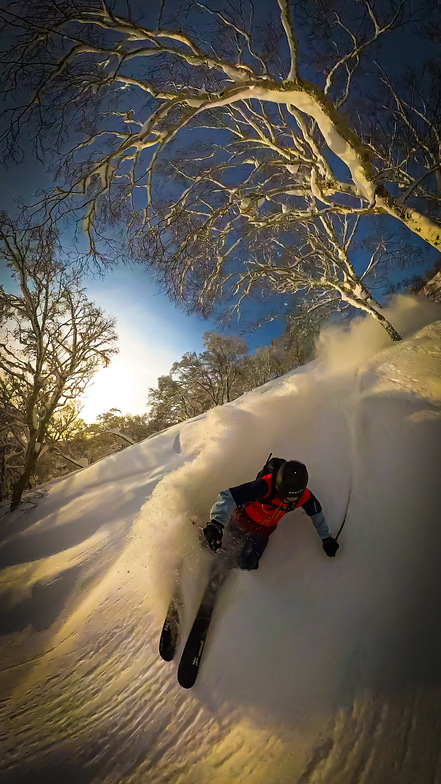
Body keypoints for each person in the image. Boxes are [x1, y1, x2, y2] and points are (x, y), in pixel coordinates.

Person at [203, 459, 339, 570]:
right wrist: (217, 524)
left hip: (263, 531)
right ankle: (207, 544)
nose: (285, 499)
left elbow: (317, 515)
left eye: (291, 498)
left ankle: (234, 571)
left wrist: (326, 539)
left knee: (247, 564)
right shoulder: (264, 485)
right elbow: (229, 496)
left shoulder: (305, 496)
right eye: (282, 494)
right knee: (222, 548)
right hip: (242, 519)